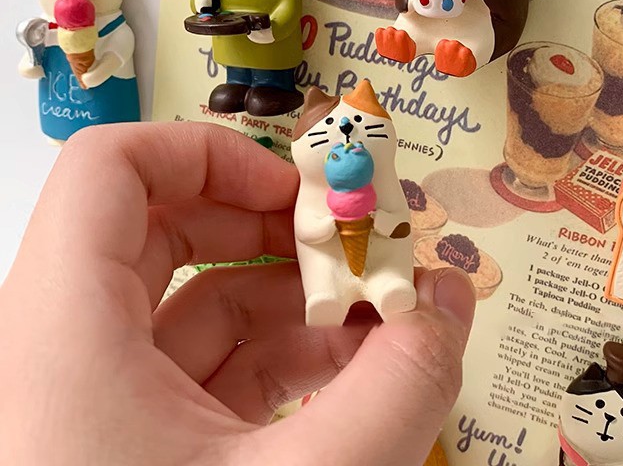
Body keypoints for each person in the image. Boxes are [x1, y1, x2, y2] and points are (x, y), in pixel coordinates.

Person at [0, 123, 476, 464]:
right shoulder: (313, 196)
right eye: (331, 142)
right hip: (330, 273)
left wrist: (381, 218)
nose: (346, 142)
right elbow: (310, 232)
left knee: (390, 281)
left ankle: (384, 288)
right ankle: (330, 297)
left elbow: (395, 224)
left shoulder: (382, 187)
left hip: (380, 265)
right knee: (324, 287)